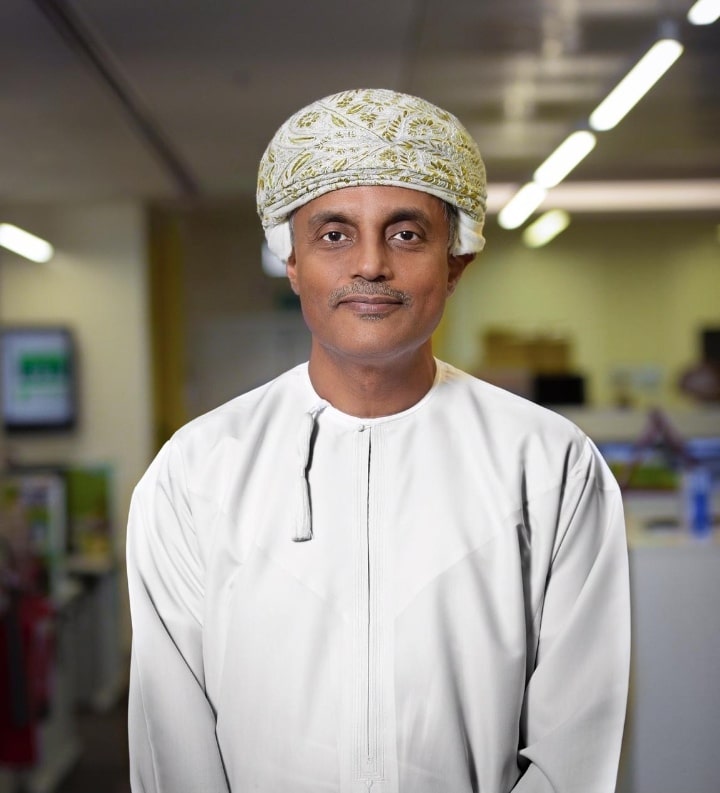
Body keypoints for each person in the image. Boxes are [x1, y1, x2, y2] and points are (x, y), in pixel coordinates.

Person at [126, 88, 630, 793]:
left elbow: (576, 741)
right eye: (334, 234)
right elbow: (172, 739)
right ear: (292, 261)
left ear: (455, 262)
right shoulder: (197, 471)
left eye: (406, 234)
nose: (370, 264)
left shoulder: (549, 464)